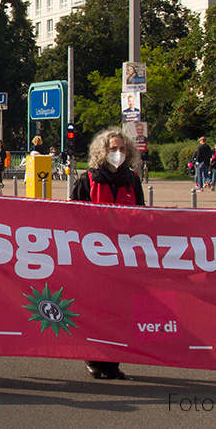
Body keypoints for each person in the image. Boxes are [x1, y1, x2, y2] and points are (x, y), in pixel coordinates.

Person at [71, 127, 145, 380]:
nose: (118, 153)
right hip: (93, 261)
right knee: (95, 310)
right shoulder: (86, 180)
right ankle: (93, 358)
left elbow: (143, 218)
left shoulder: (132, 180)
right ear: (103, 152)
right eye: (113, 148)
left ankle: (113, 361)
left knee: (120, 312)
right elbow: (71, 221)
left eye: (123, 149)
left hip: (124, 260)